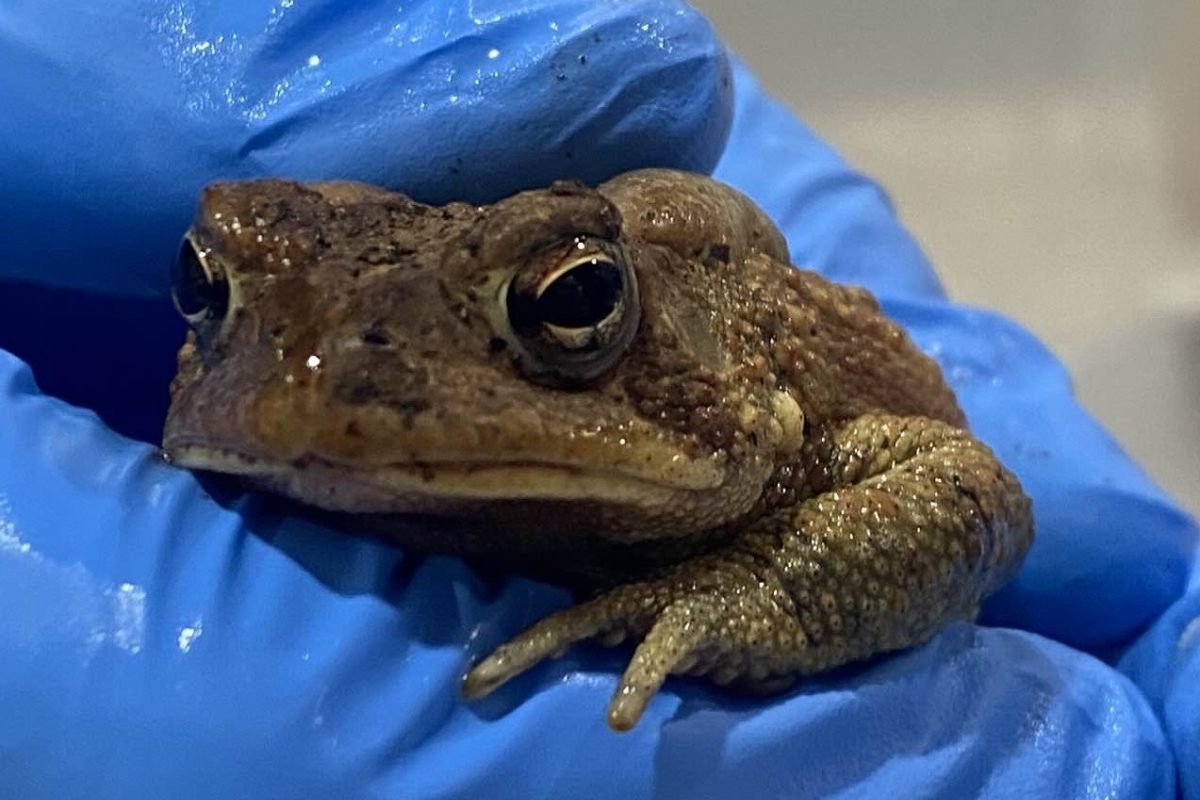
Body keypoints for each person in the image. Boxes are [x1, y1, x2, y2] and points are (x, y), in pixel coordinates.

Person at [0, 2, 1195, 797]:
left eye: (565, 305)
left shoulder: (754, 390)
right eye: (211, 290)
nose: (328, 387)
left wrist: (765, 591)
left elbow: (966, 487)